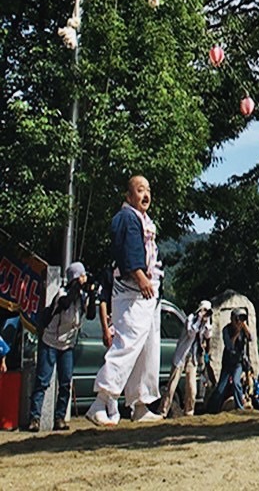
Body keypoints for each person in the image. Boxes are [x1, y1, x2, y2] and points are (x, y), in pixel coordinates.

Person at [87, 175, 164, 426]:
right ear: (129, 196)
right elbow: (126, 252)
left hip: (148, 291)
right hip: (132, 289)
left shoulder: (143, 219)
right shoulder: (126, 217)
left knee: (148, 348)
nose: (145, 195)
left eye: (148, 190)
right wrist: (140, 276)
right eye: (140, 190)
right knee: (128, 343)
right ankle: (101, 400)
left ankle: (141, 404)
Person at [28, 262, 94, 432]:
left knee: (65, 383)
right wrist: (76, 286)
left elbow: (92, 314)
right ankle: (34, 418)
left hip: (67, 345)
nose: (84, 278)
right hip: (50, 341)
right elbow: (65, 303)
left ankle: (60, 418)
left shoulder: (82, 298)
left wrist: (92, 293)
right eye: (82, 275)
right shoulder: (62, 293)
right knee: (43, 381)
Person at [161, 299, 213, 417]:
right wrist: (199, 319)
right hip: (181, 355)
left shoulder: (205, 324)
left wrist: (207, 321)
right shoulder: (190, 319)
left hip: (192, 357)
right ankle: (163, 410)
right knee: (172, 385)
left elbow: (208, 335)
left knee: (191, 387)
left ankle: (189, 412)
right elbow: (191, 332)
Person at [206, 309, 252, 413]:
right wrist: (237, 332)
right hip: (227, 363)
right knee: (220, 388)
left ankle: (240, 407)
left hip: (238, 363)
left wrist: (245, 328)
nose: (239, 321)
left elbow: (251, 338)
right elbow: (229, 345)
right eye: (238, 318)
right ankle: (214, 410)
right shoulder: (226, 330)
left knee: (236, 382)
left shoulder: (243, 330)